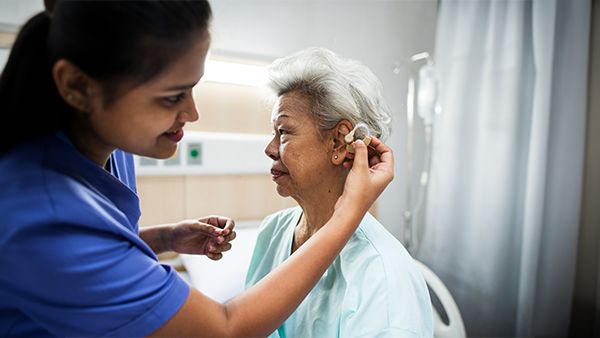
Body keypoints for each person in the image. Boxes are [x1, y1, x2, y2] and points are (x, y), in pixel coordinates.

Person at [0, 2, 395, 337]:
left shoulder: (112, 149)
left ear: (340, 141)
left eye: (285, 132)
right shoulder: (39, 213)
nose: (192, 112)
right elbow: (225, 328)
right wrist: (350, 210)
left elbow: (94, 244)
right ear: (79, 87)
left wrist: (163, 237)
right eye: (173, 95)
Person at [245, 47, 433, 338]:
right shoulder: (273, 232)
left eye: (284, 132)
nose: (270, 149)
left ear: (337, 142)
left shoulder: (381, 275)